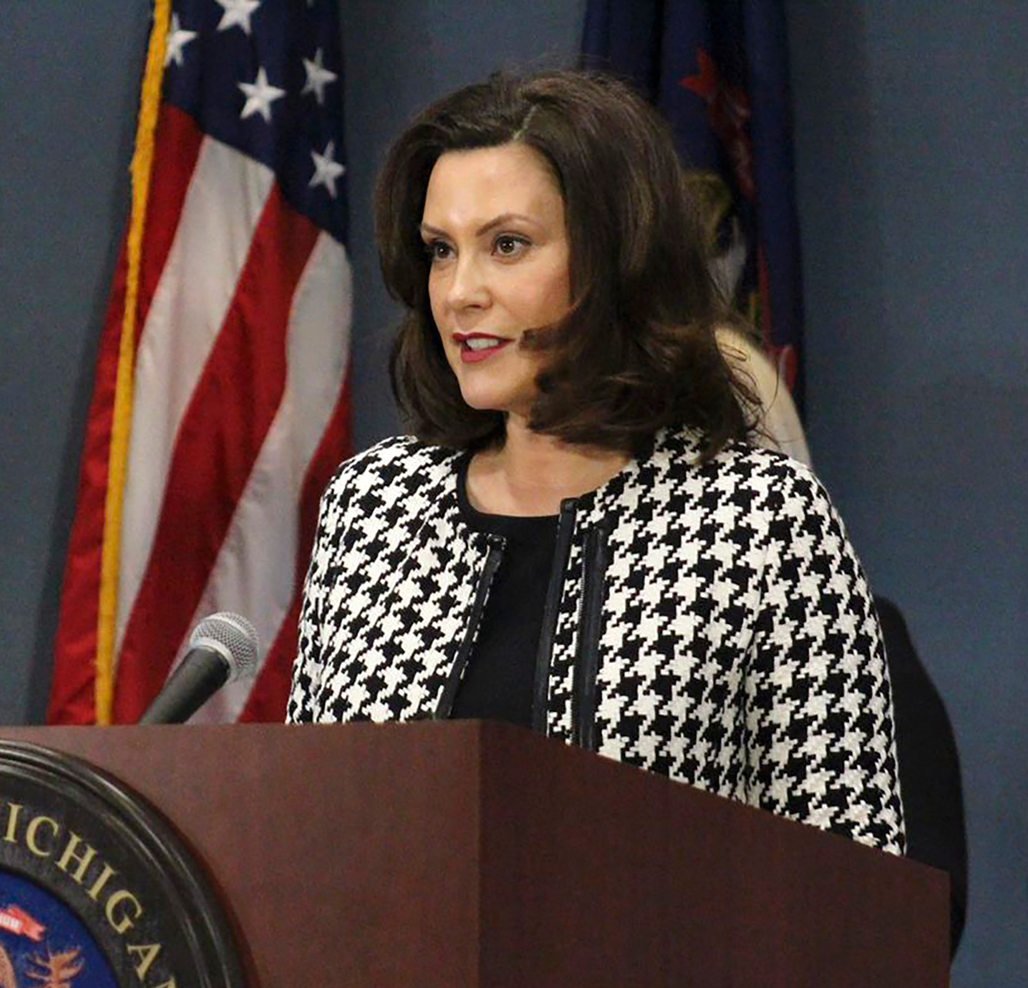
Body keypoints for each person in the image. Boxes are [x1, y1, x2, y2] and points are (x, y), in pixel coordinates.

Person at [284, 70, 904, 855]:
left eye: (507, 245)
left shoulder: (759, 521)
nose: (459, 292)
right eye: (441, 251)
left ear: (617, 261)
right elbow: (312, 834)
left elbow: (852, 881)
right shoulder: (376, 507)